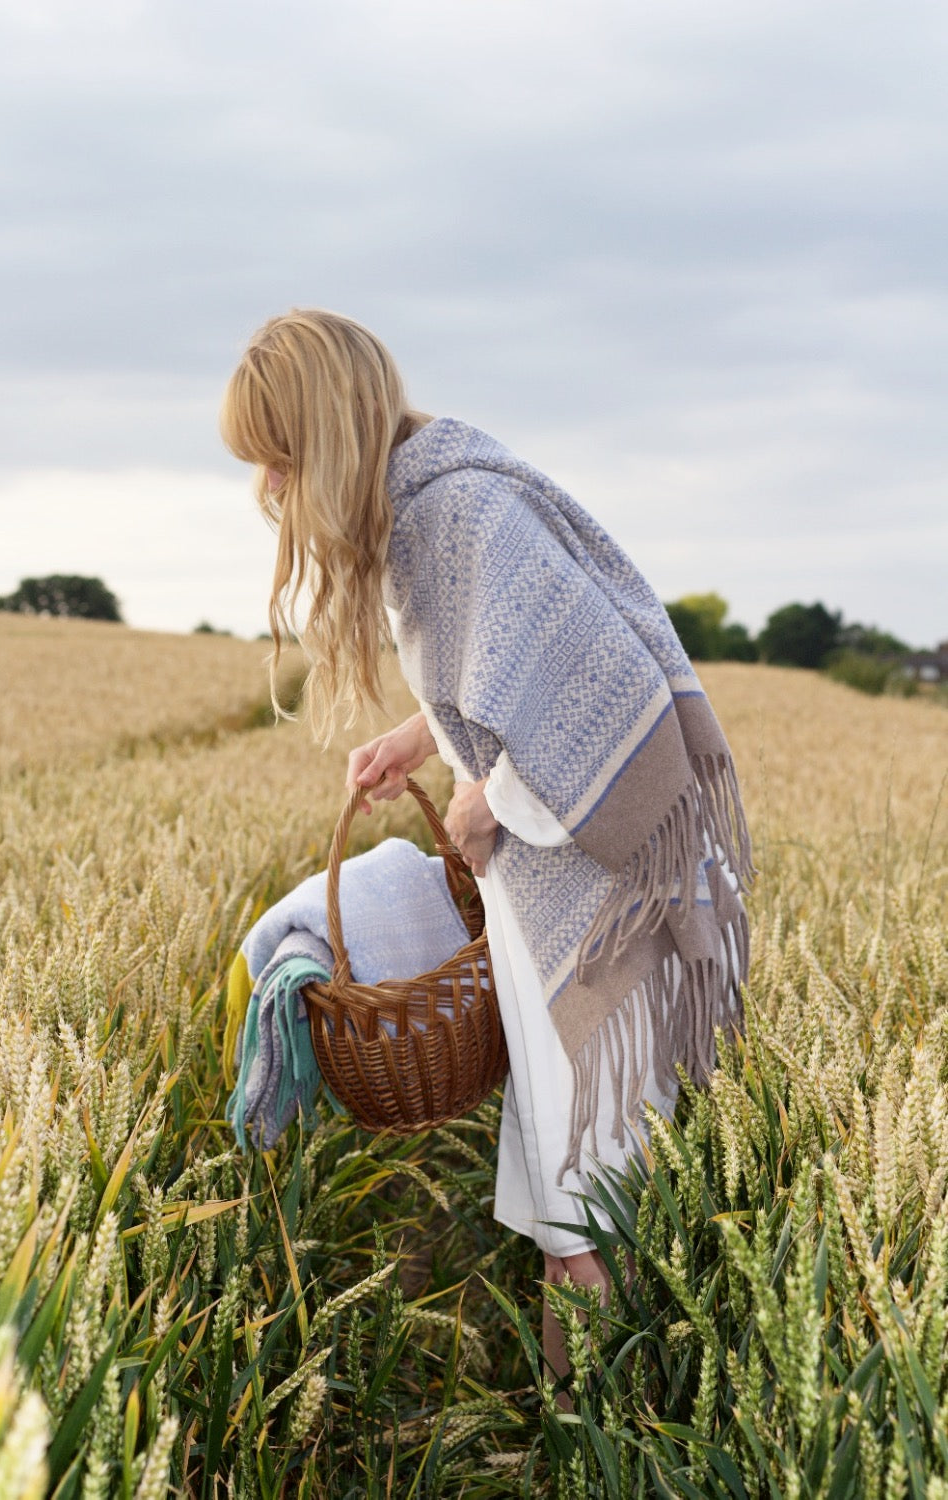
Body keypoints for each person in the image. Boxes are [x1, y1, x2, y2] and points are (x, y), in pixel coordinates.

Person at [220, 307, 753, 1392]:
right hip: (585, 898)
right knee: (575, 1210)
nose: (265, 491)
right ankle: (584, 1441)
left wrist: (490, 801)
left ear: (316, 438)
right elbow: (519, 666)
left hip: (608, 903)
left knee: (584, 1214)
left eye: (271, 460)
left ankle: (594, 1447)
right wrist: (426, 732)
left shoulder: (453, 513)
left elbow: (607, 702)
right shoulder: (438, 498)